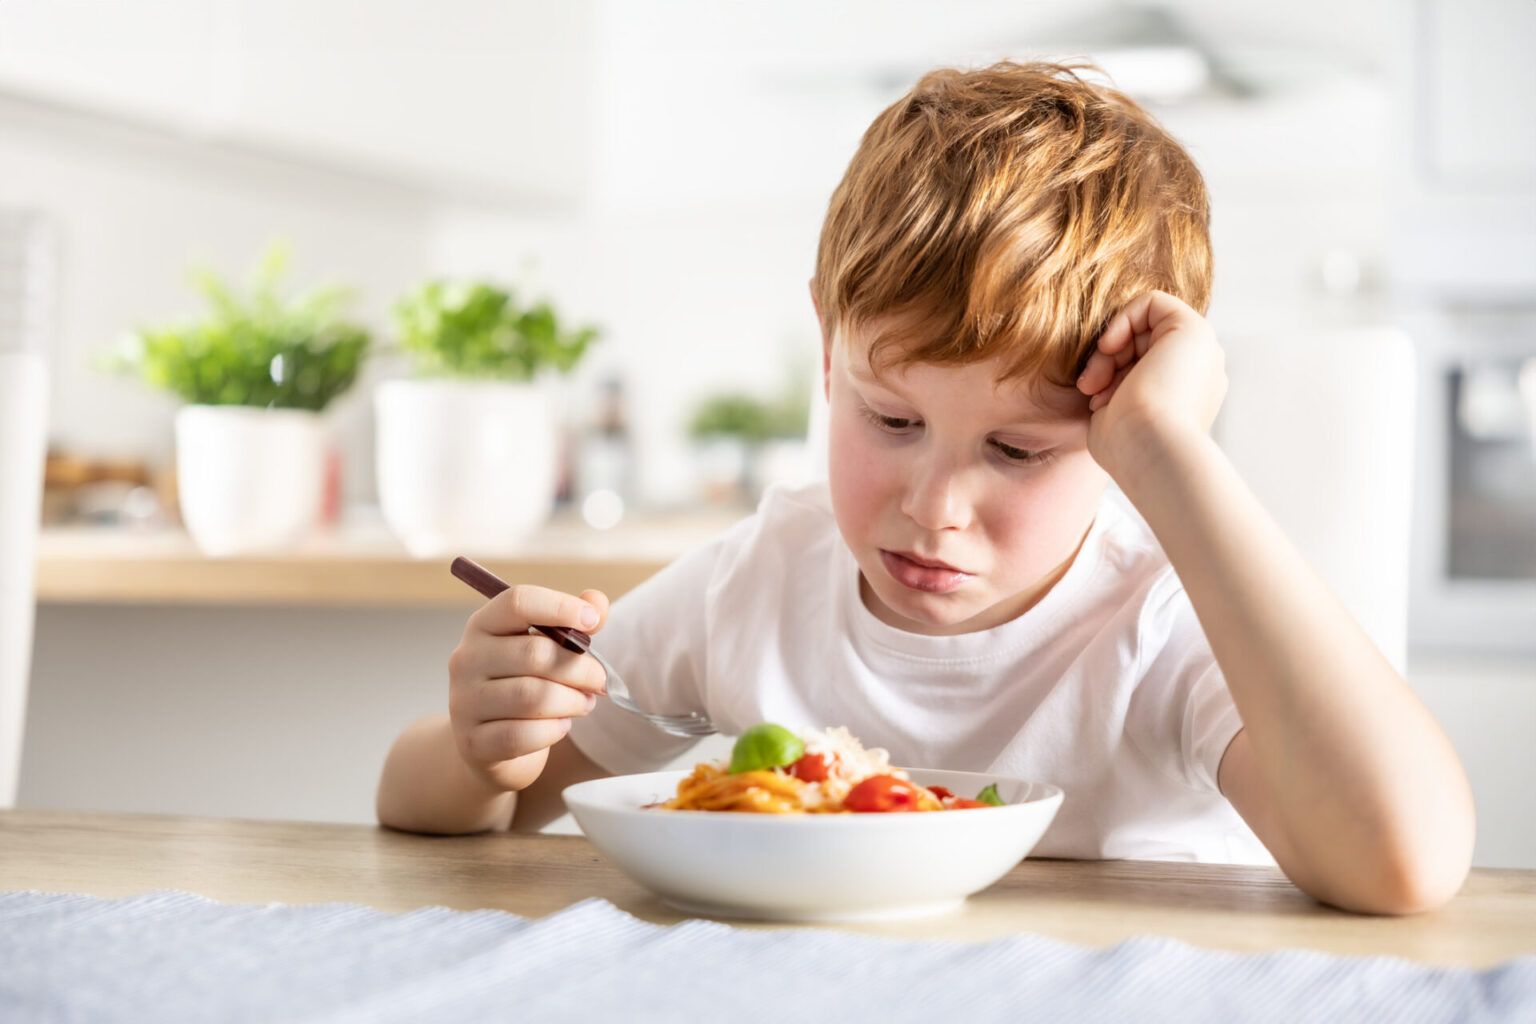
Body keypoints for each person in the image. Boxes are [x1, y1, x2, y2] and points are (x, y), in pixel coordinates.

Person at [376, 61, 1474, 914]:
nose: (937, 506)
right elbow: (445, 806)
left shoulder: (1164, 626)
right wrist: (481, 748)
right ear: (826, 345)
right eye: (893, 420)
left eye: (1020, 450)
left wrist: (1173, 452)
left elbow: (1404, 861)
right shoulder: (760, 579)